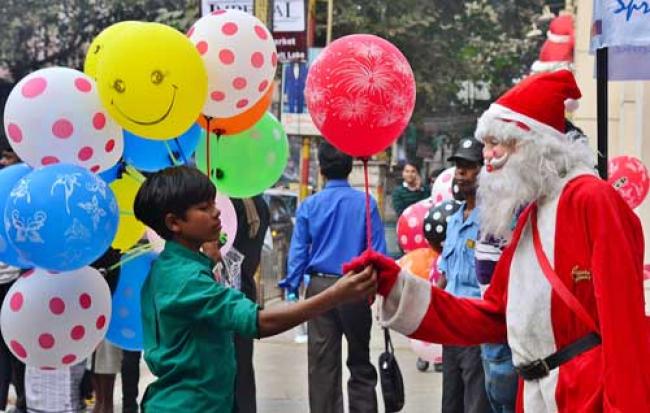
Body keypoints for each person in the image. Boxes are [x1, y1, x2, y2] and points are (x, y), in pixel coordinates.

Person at [344, 69, 650, 412]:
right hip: (536, 394)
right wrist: (396, 285)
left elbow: (625, 328)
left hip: (583, 394)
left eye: (496, 142)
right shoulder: (534, 212)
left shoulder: (591, 199)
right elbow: (493, 315)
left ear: (534, 144)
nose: (486, 156)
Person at [133, 165, 377, 413]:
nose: (217, 212)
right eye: (203, 208)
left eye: (213, 203)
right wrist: (336, 294)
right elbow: (261, 322)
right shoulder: (187, 279)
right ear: (174, 222)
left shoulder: (170, 267)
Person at [279, 142, 387, 413]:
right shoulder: (366, 204)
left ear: (322, 169)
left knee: (322, 364)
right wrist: (377, 289)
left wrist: (291, 284)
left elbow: (299, 252)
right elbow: (378, 253)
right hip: (356, 286)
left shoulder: (310, 205)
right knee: (360, 360)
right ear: (350, 168)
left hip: (319, 289)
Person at [436, 137, 491, 413]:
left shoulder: (492, 219)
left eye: (468, 166)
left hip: (475, 326)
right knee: (450, 404)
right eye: (458, 166)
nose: (461, 172)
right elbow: (444, 274)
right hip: (451, 328)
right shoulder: (455, 219)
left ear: (484, 171)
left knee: (475, 405)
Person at [230, 196, 270, 413]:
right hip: (245, 291)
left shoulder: (224, 204)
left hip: (223, 292)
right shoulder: (260, 205)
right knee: (243, 365)